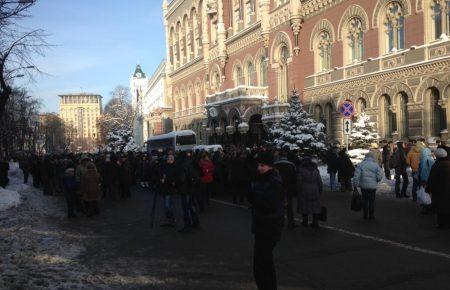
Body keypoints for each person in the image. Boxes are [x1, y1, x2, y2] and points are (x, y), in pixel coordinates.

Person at [248, 151, 284, 290]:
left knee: (263, 262)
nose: (260, 168)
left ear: (270, 166)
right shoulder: (261, 178)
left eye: (263, 165)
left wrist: (252, 198)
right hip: (261, 225)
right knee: (260, 262)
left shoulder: (274, 181)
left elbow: (269, 206)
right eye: (259, 165)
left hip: (270, 226)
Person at [353, 152, 383, 220]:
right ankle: (371, 215)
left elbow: (356, 176)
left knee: (365, 200)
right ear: (372, 158)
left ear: (365, 157)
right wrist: (377, 180)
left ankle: (365, 215)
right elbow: (380, 175)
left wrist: (355, 184)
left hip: (364, 186)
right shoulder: (376, 165)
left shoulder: (361, 165)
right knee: (372, 201)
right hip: (373, 187)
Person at [297, 155, 323, 227]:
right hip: (315, 189)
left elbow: (299, 181)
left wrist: (298, 189)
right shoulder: (316, 170)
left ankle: (305, 222)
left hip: (304, 189)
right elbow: (319, 181)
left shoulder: (301, 170)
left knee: (304, 205)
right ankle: (315, 222)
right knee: (315, 206)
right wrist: (320, 190)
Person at [274, 149, 298, 229]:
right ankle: (290, 223)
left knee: (279, 205)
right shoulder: (291, 165)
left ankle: (279, 223)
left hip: (278, 188)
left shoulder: (275, 165)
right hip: (289, 188)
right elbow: (294, 178)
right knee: (289, 206)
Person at [427, 148, 450, 228]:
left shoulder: (436, 165)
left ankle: (441, 224)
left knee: (440, 207)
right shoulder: (448, 164)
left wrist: (428, 189)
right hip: (447, 190)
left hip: (439, 191)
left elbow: (432, 179)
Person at [160, 154, 177, 227]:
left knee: (168, 205)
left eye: (171, 158)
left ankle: (171, 219)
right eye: (168, 158)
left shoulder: (175, 167)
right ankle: (169, 219)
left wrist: (165, 180)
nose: (169, 159)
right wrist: (161, 178)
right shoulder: (165, 166)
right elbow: (161, 174)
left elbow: (174, 179)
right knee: (166, 205)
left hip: (170, 189)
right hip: (164, 188)